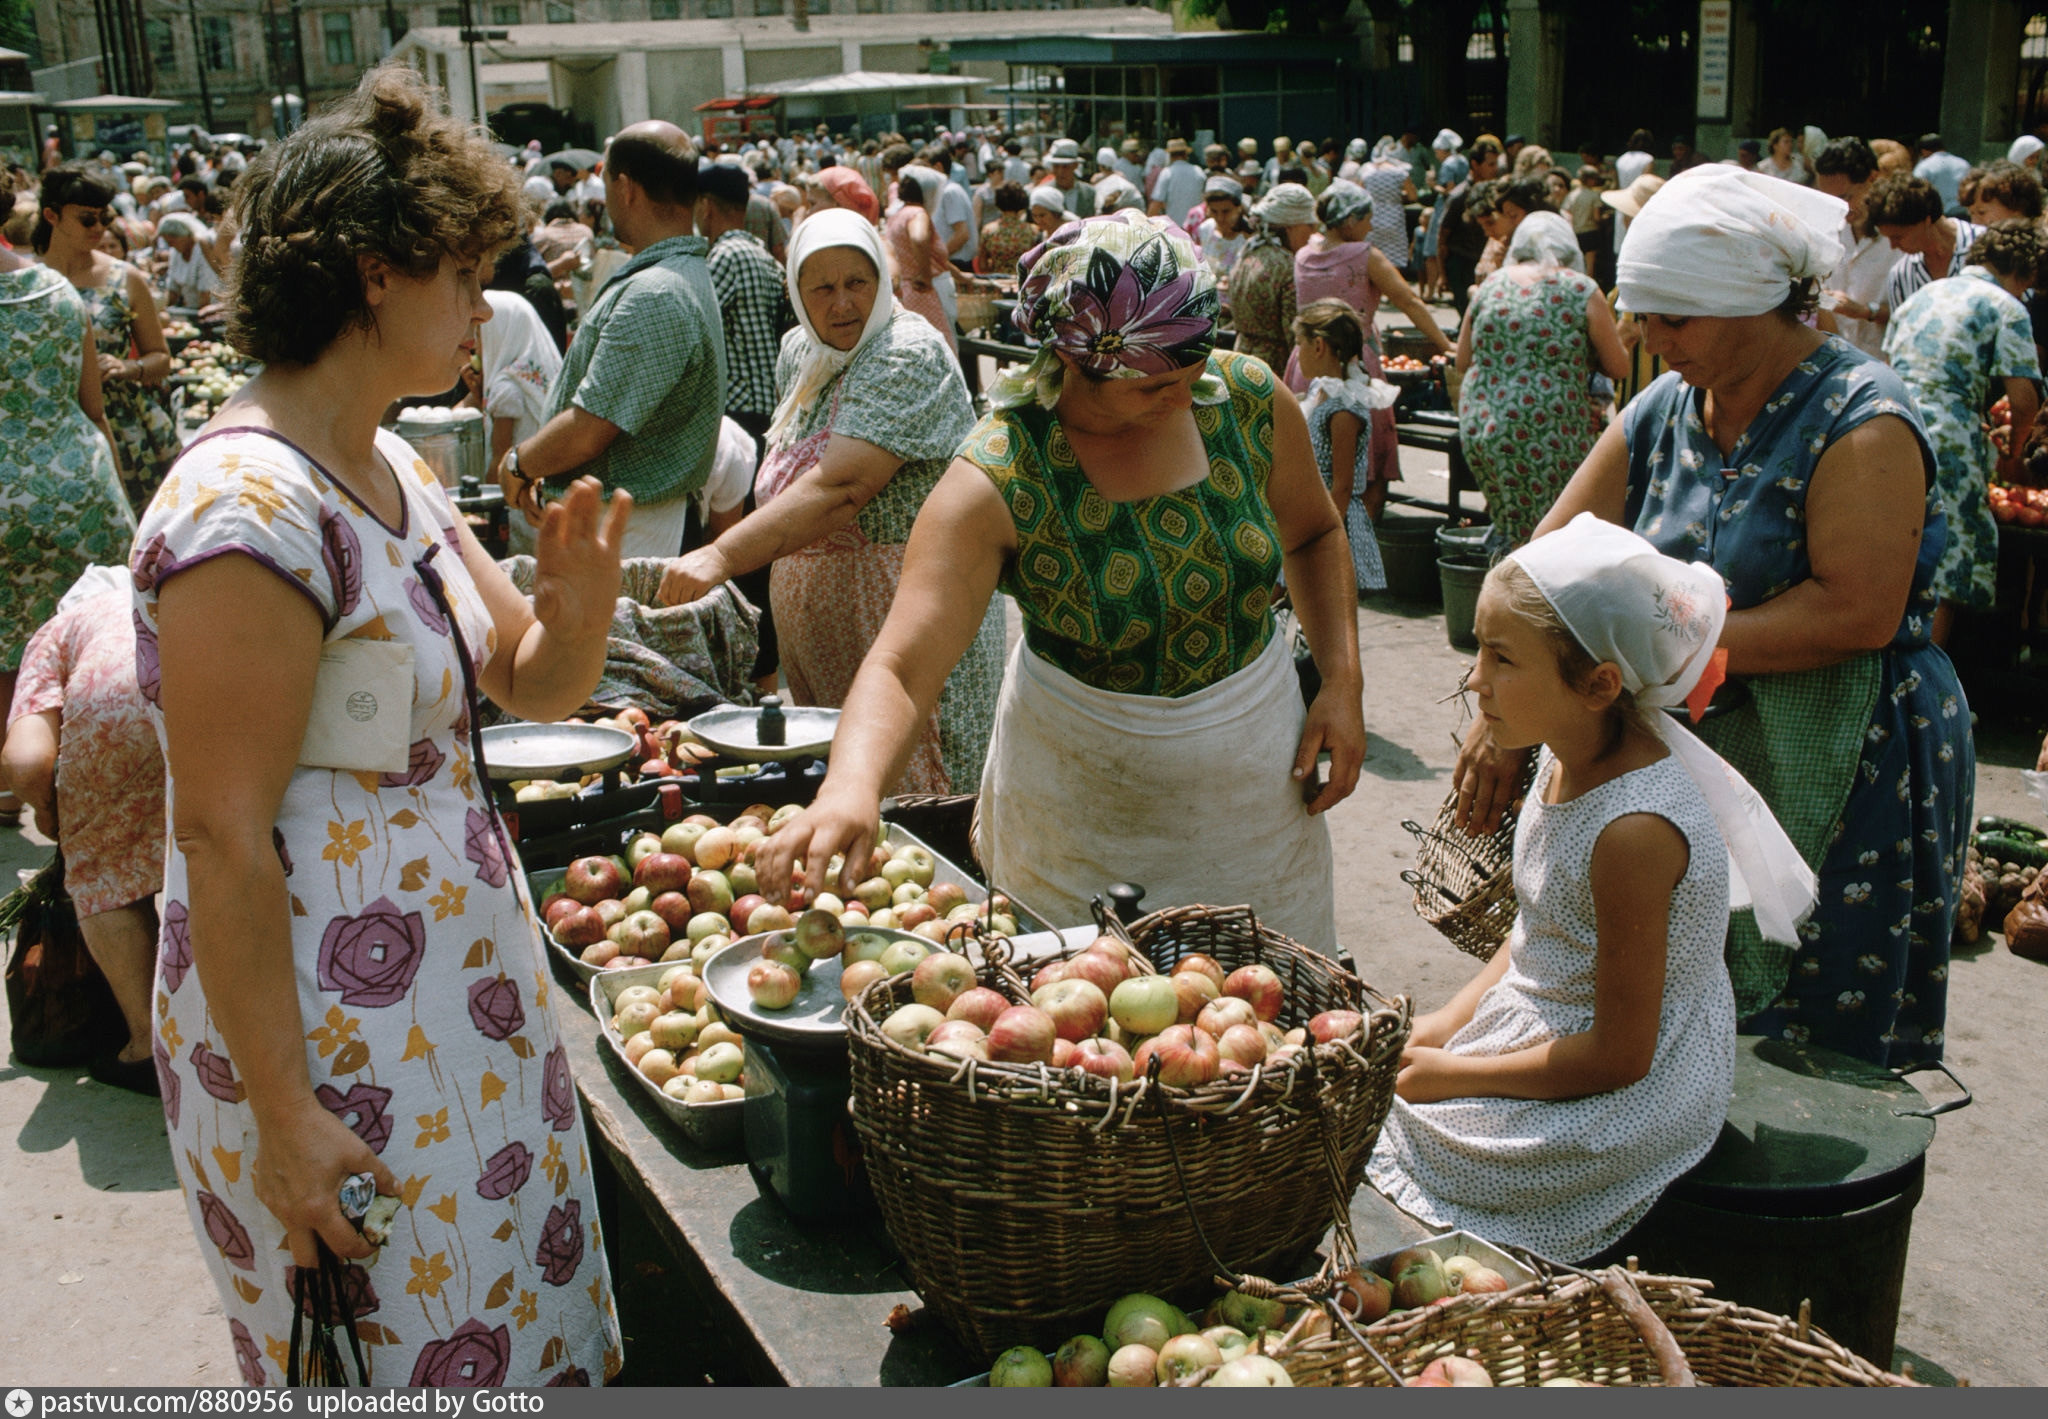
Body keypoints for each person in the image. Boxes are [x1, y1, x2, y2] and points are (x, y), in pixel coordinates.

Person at [129, 64, 625, 1385]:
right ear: (368, 272)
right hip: (329, 1049)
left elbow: (530, 680)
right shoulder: (248, 508)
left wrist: (574, 612)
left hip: (450, 1012)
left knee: (508, 1332)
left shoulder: (391, 459)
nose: (479, 308)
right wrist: (286, 1121)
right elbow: (223, 837)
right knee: (398, 1354)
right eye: (461, 274)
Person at [1466, 165, 1971, 1068]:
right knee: (1669, 1008)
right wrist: (1502, 705)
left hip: (1848, 750)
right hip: (1696, 739)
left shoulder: (1862, 419)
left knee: (1807, 1037)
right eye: (1644, 315)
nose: (1650, 338)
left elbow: (1856, 612)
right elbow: (1546, 559)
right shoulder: (1664, 404)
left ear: (1754, 304)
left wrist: (1653, 650)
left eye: (1675, 319)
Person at [753, 211, 1366, 953]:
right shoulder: (999, 474)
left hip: (1253, 796)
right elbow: (904, 665)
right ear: (1074, 361)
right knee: (1079, 1017)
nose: (1181, 399)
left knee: (1267, 1002)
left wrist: (1341, 678)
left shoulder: (1245, 402)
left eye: (1192, 370)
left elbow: (1314, 531)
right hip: (1079, 805)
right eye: (1149, 388)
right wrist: (852, 784)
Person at [1372, 517, 1809, 1262]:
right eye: (1480, 647)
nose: (1475, 678)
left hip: (1634, 1083)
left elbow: (1620, 1054)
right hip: (1552, 1021)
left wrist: (1453, 1073)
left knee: (1397, 1135)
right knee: (1373, 1090)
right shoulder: (1559, 752)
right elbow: (1532, 940)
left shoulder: (1634, 831)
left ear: (1601, 683)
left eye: (1502, 657)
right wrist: (1440, 1027)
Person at [655, 210, 1001, 794]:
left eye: (856, 283)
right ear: (796, 291)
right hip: (820, 635)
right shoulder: (802, 351)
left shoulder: (906, 350)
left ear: (882, 282)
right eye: (821, 287)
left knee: (913, 793)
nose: (841, 304)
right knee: (840, 787)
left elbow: (843, 487)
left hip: (900, 623)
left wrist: (720, 556)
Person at [498, 121, 726, 561]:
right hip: (629, 522)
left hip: (627, 532)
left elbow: (589, 429)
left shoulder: (656, 292)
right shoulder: (678, 275)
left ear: (625, 188)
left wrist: (519, 463)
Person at [3, 568, 165, 1091]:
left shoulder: (60, 629)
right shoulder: (167, 599)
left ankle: (148, 1046)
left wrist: (59, 821)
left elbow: (27, 762)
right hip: (201, 699)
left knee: (108, 877)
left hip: (113, 724)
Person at [0, 234, 131, 825]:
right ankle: (90, 785)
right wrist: (121, 497)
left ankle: (12, 790)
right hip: (79, 484)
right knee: (79, 644)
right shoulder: (57, 291)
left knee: (6, 653)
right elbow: (92, 407)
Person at [1883, 222, 2044, 641]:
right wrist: (2014, 448)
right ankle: (1926, 696)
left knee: (1893, 556)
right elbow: (2024, 399)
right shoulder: (2006, 308)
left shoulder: (1920, 297)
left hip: (1888, 424)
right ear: (2025, 273)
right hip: (1948, 438)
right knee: (1942, 566)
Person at [1456, 212, 1628, 553]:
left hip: (1484, 424)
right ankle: (1529, 599)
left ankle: (1502, 590)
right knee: (1551, 533)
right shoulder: (1580, 288)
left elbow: (1462, 360)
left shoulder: (1492, 283)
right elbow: (1618, 366)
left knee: (1512, 523)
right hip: (1548, 429)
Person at [1285, 180, 1452, 512]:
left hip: (1307, 361)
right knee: (1365, 458)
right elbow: (1410, 302)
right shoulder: (1364, 256)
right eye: (1366, 218)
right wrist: (1445, 343)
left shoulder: (1304, 254)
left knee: (1313, 455)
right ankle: (1361, 533)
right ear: (1349, 220)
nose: (1371, 225)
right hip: (1352, 362)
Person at [35, 163, 178, 505]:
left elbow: (161, 359)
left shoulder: (124, 277)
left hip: (124, 424)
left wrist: (129, 368)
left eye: (105, 218)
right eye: (87, 219)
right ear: (52, 216)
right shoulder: (30, 280)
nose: (99, 227)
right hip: (56, 420)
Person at [1292, 299, 1395, 586]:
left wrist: (1322, 538)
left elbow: (1343, 484)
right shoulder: (1321, 390)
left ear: (1319, 346)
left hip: (1332, 519)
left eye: (1299, 343)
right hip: (1313, 508)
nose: (1297, 354)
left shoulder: (1344, 409)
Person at [462, 290, 563, 560]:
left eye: (480, 334)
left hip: (517, 509)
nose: (475, 344)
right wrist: (478, 392)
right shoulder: (533, 375)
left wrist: (478, 510)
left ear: (501, 333)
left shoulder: (505, 386)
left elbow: (499, 462)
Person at [698, 161, 792, 444]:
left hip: (741, 405)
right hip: (769, 400)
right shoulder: (761, 254)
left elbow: (694, 322)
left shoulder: (727, 255)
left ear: (706, 206)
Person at [1812, 137, 1899, 361]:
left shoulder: (1900, 238)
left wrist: (1865, 311)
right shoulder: (1827, 233)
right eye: (1828, 200)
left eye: (1845, 197)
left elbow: (1914, 313)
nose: (1838, 209)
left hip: (1886, 366)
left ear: (1873, 178)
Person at [1866, 173, 1984, 326]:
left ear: (1926, 221)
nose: (1893, 246)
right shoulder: (1901, 276)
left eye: (1898, 237)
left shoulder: (1986, 246)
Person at [1229, 183, 1316, 373]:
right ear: (1290, 227)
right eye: (1309, 225)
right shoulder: (1286, 267)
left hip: (1240, 359)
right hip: (1272, 368)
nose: (1313, 232)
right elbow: (1294, 335)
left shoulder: (1249, 251)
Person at [882, 175, 956, 356]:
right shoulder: (917, 213)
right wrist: (925, 275)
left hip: (908, 291)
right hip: (928, 290)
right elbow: (919, 237)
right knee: (943, 348)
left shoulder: (896, 215)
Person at [1442, 139, 1502, 317]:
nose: (1495, 169)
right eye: (1490, 164)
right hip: (1462, 263)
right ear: (1475, 164)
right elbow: (1442, 236)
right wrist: (1442, 275)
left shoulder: (1497, 192)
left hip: (1487, 262)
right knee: (1469, 315)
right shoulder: (1459, 196)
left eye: (1496, 164)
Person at [1419, 130, 1467, 300]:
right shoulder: (1463, 161)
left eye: (1437, 151)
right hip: (1462, 210)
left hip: (1445, 209)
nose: (1436, 154)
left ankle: (1430, 292)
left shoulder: (1448, 165)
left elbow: (1450, 190)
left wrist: (1433, 186)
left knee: (1432, 251)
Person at [1363, 137, 1416, 273]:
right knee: (1394, 258)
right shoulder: (1400, 173)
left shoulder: (1368, 172)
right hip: (1393, 216)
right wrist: (1399, 195)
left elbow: (1361, 194)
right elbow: (1413, 196)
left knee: (1372, 256)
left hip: (1373, 217)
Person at [156, 212, 222, 309]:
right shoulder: (175, 253)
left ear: (186, 236)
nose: (170, 246)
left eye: (172, 241)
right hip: (191, 310)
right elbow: (173, 290)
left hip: (210, 310)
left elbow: (205, 296)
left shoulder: (202, 251)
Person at [974, 182, 1037, 276]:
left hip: (998, 281)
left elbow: (982, 265)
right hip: (1023, 281)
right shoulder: (1032, 231)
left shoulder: (988, 230)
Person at [1194, 174, 1249, 278]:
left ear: (1239, 208)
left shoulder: (1247, 238)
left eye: (1226, 211)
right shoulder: (1205, 229)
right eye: (1214, 211)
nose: (1220, 218)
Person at [1564, 164, 1608, 284]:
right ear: (1590, 180)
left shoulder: (1571, 195)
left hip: (1575, 233)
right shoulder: (1594, 196)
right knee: (1590, 267)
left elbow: (1566, 213)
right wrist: (1605, 218)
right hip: (1590, 232)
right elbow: (1596, 217)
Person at [1148, 138, 1205, 223]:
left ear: (1170, 156)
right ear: (1186, 155)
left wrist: (1147, 224)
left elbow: (1157, 203)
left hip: (1175, 225)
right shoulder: (1199, 171)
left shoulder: (1167, 173)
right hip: (1196, 225)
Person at [1913, 133, 1971, 213]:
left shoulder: (1923, 167)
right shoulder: (1964, 164)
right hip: (1964, 213)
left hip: (1938, 217)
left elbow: (1915, 192)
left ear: (1924, 151)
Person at [1044, 139, 1096, 218]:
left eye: (1065, 166)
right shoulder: (1044, 193)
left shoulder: (1089, 192)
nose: (1060, 172)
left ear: (1075, 165)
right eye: (1056, 166)